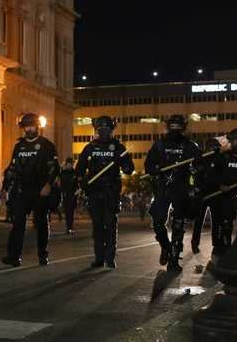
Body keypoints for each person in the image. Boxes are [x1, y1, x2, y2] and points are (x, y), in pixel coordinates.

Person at [144, 115, 201, 272]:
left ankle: (174, 259)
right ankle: (166, 247)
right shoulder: (160, 144)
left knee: (178, 225)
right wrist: (153, 169)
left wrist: (197, 165)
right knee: (157, 221)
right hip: (163, 188)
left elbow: (200, 165)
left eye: (178, 126)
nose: (175, 128)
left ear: (183, 127)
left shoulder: (190, 145)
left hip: (181, 189)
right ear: (168, 126)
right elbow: (148, 164)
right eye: (172, 126)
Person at [1, 113, 59, 267]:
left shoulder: (46, 145)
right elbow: (12, 168)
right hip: (23, 190)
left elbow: (54, 168)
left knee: (41, 224)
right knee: (18, 223)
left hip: (40, 190)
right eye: (26, 126)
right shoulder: (19, 146)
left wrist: (48, 185)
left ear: (37, 126)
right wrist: (5, 187)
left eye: (32, 125)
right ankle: (14, 256)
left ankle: (42, 255)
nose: (29, 129)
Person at [76, 116, 135, 268]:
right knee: (97, 226)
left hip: (111, 192)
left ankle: (110, 258)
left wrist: (126, 165)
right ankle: (99, 258)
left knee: (110, 225)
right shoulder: (89, 148)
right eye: (101, 128)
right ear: (97, 130)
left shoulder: (118, 148)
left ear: (111, 130)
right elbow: (80, 169)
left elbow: (129, 168)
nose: (103, 131)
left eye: (107, 128)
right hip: (94, 191)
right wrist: (81, 181)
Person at [210, 129, 237, 255]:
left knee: (236, 224)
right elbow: (213, 174)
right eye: (236, 139)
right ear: (231, 141)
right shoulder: (223, 156)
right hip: (223, 196)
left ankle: (231, 247)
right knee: (222, 223)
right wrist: (220, 185)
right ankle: (220, 246)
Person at [190, 137, 223, 254]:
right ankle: (194, 244)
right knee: (198, 221)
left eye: (216, 147)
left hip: (215, 193)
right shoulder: (200, 159)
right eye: (212, 146)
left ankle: (216, 244)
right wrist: (195, 188)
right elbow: (193, 172)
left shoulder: (220, 158)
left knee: (216, 220)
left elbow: (223, 174)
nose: (214, 149)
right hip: (202, 194)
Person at [61, 158, 77, 234]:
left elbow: (76, 184)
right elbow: (61, 184)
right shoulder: (63, 172)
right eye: (69, 164)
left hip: (73, 194)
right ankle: (69, 226)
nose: (70, 165)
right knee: (67, 212)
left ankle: (70, 226)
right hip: (65, 194)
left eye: (71, 164)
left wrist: (77, 192)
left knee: (71, 212)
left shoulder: (74, 173)